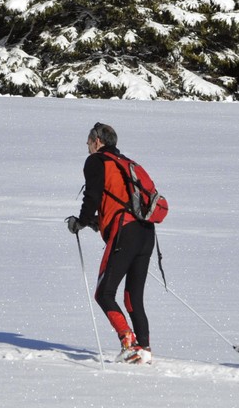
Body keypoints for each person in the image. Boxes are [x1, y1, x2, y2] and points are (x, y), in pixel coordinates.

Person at [66, 123, 154, 364]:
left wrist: (82, 221)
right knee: (132, 298)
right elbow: (120, 200)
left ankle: (129, 342)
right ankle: (144, 349)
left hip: (125, 233)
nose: (86, 144)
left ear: (97, 141)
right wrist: (97, 221)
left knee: (104, 293)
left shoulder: (97, 161)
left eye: (88, 140)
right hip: (146, 233)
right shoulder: (125, 162)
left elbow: (92, 195)